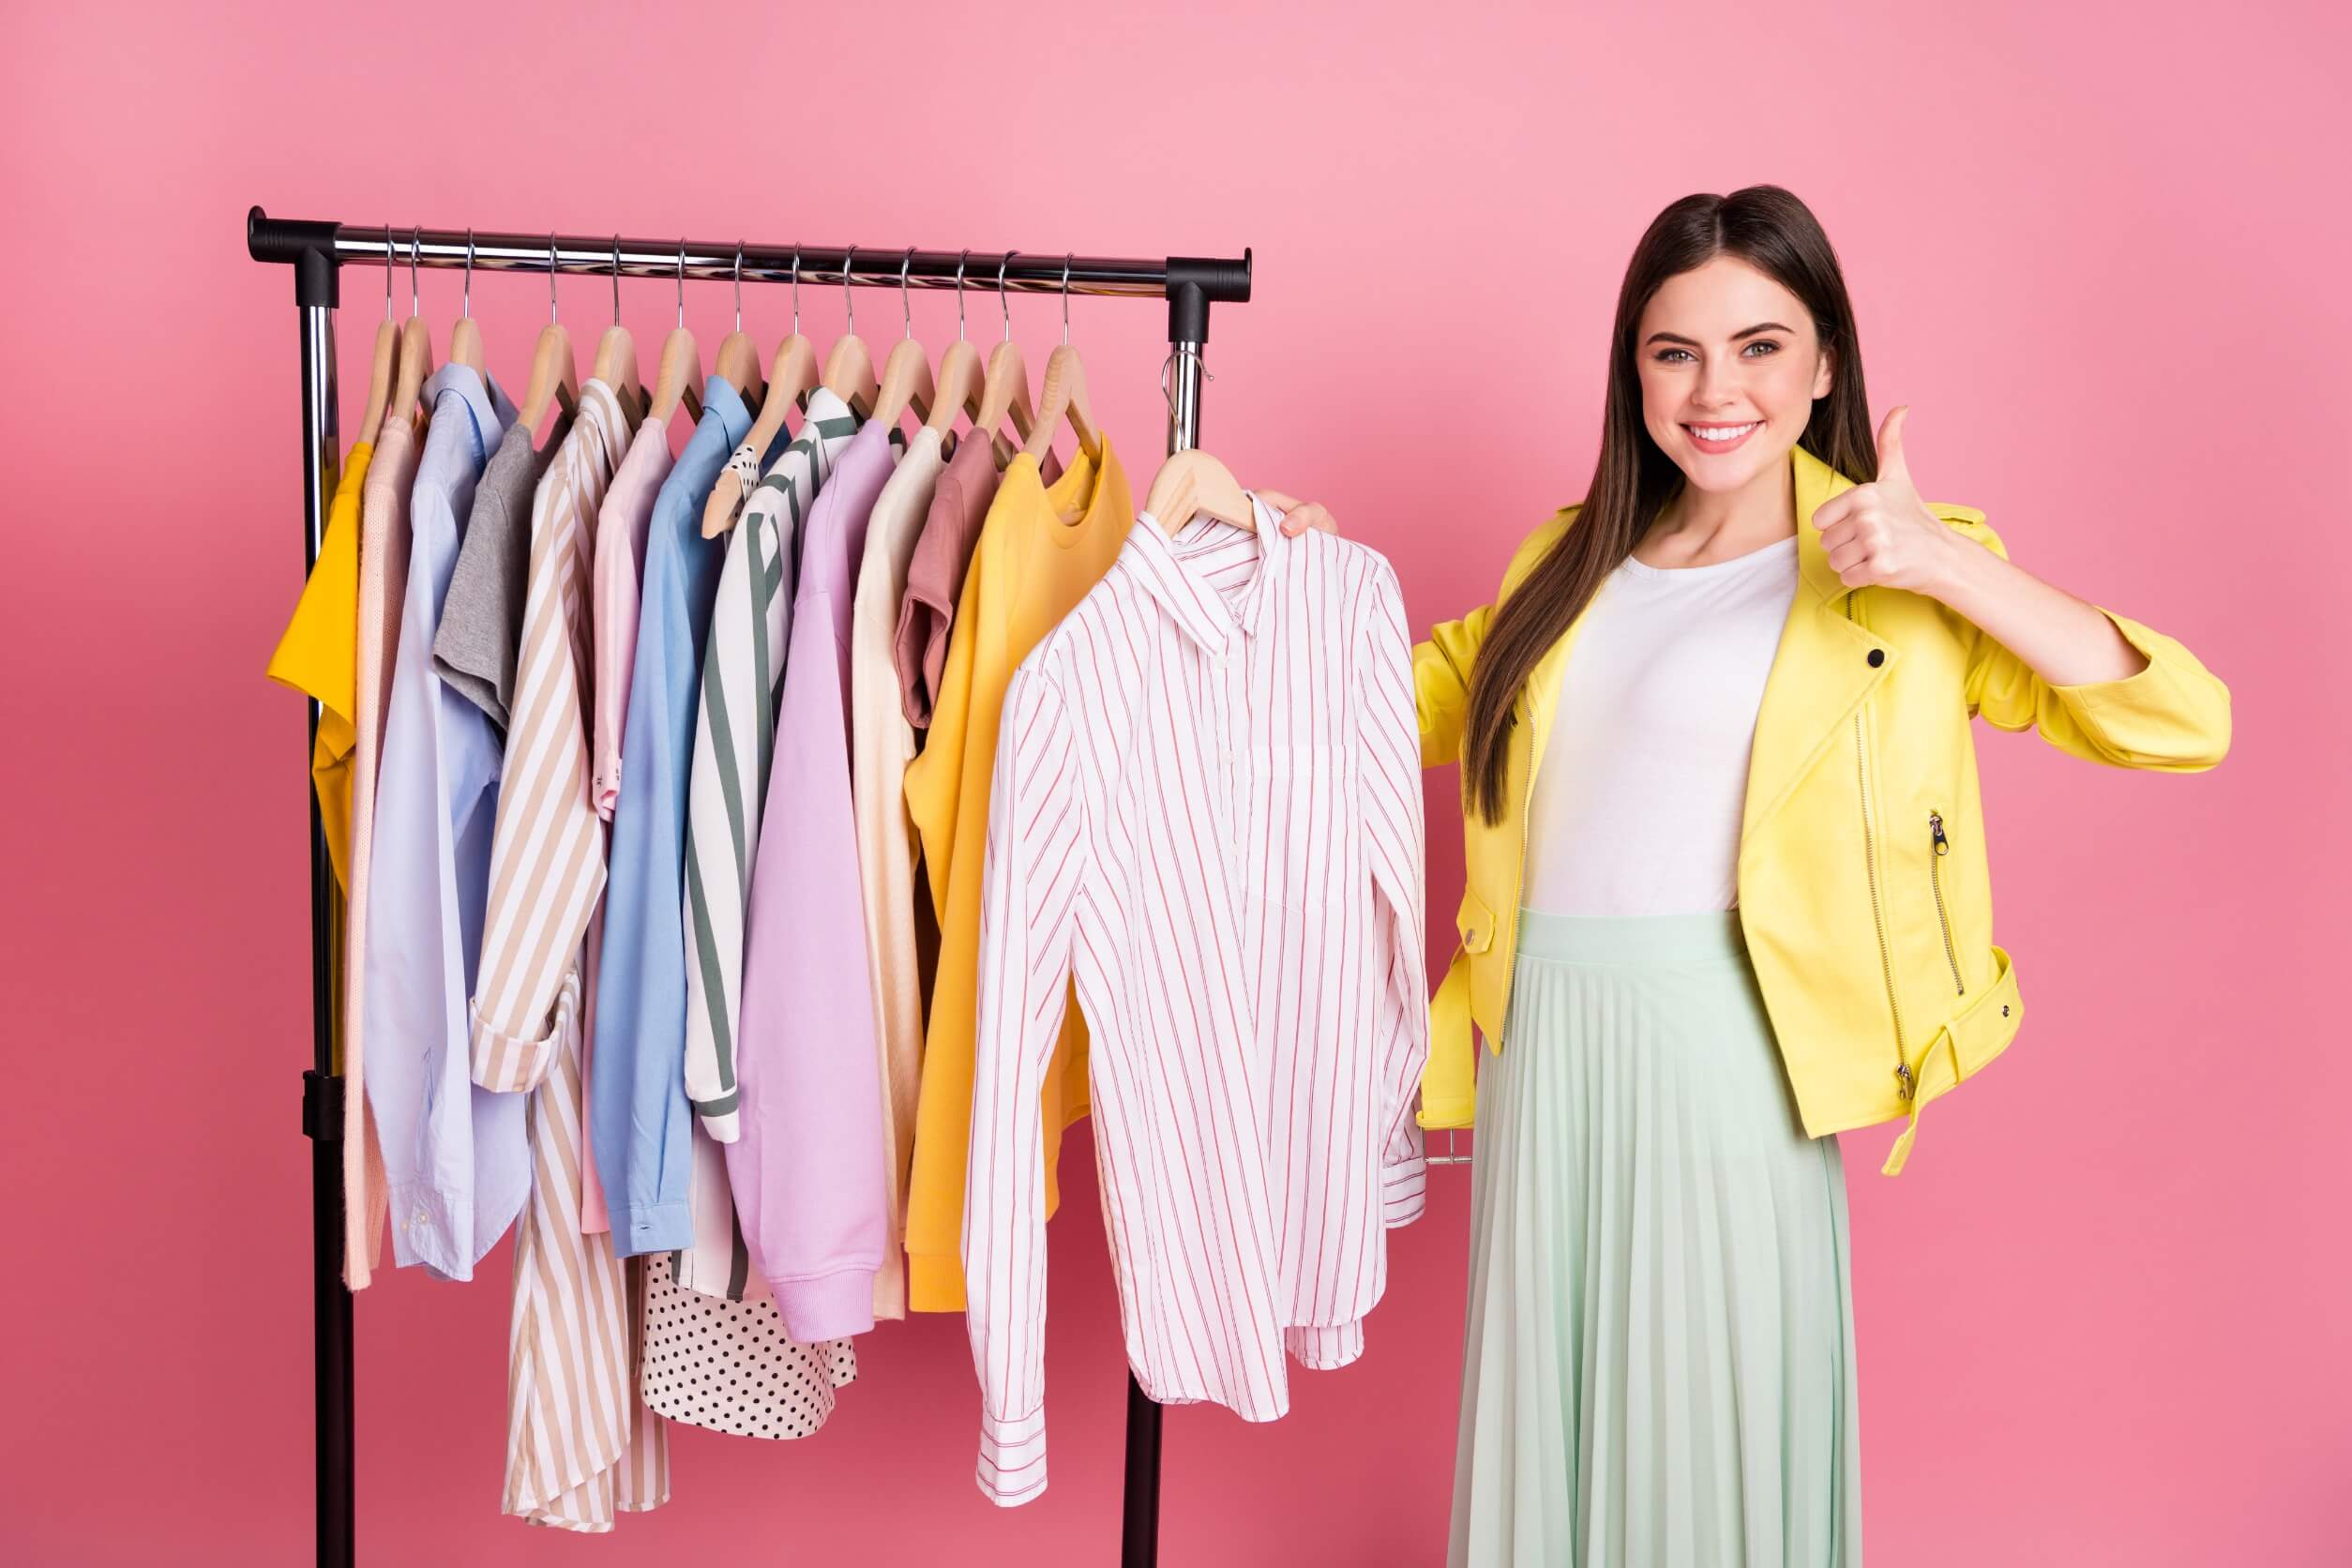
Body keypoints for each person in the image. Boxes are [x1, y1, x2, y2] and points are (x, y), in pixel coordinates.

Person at [1263, 184, 2231, 1567]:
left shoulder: (1888, 573)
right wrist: (1296, 582)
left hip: (1735, 1049)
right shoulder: (1569, 559)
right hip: (1546, 1046)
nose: (1717, 390)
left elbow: (2184, 721)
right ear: (1634, 372)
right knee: (1557, 1428)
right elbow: (1380, 706)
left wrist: (1947, 564)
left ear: (1826, 359)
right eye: (1676, 352)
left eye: (1761, 345)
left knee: (1706, 1432)